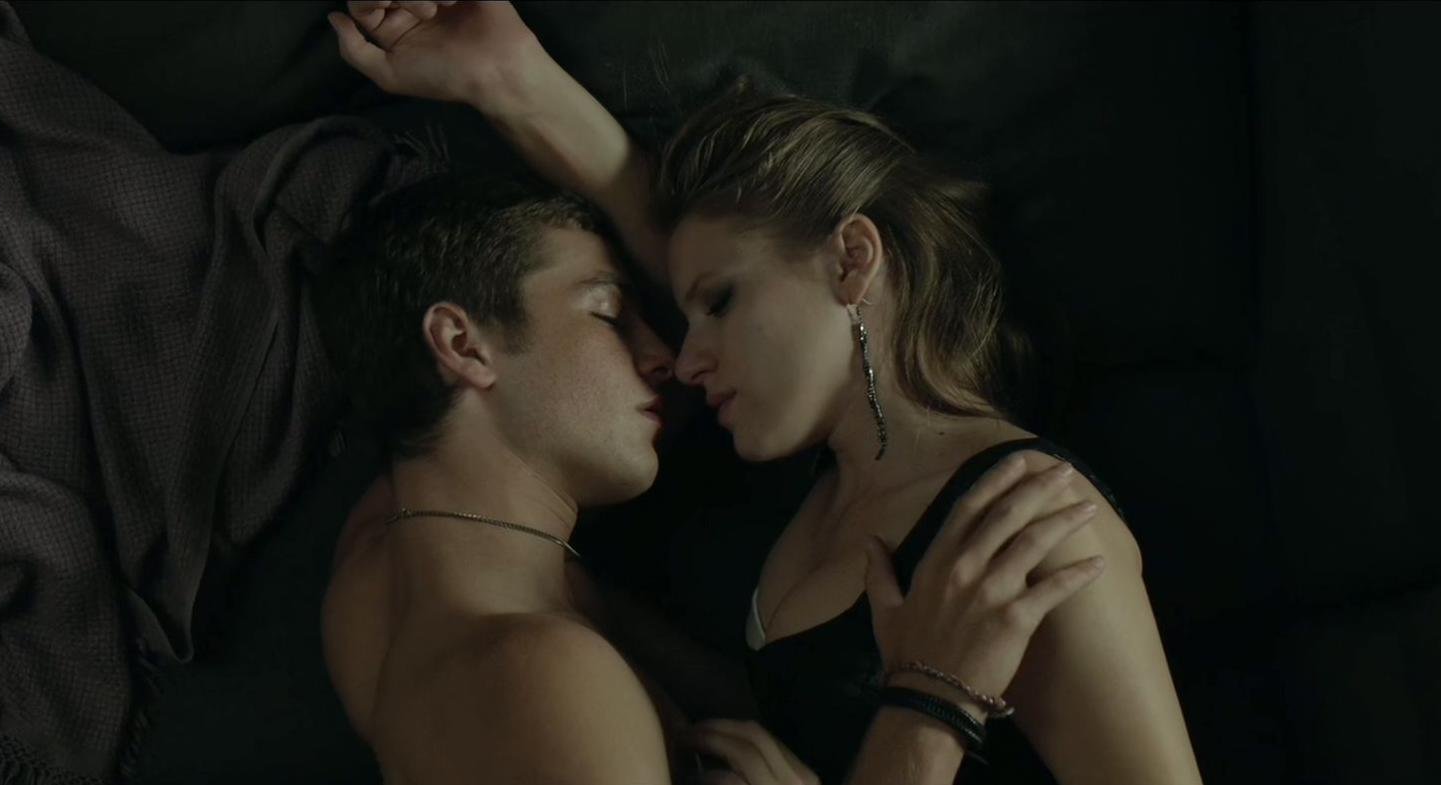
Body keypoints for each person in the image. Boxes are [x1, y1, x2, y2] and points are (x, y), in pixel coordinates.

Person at [325, 2, 1207, 784]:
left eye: (717, 306)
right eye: (671, 313)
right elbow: (716, 262)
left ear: (852, 260)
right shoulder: (811, 491)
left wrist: (932, 701)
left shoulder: (1031, 524)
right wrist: (510, 79)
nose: (682, 357)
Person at [313, 160, 1106, 785]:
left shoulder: (374, 571)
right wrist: (933, 702)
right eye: (606, 312)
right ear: (462, 344)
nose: (664, 356)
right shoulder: (544, 675)